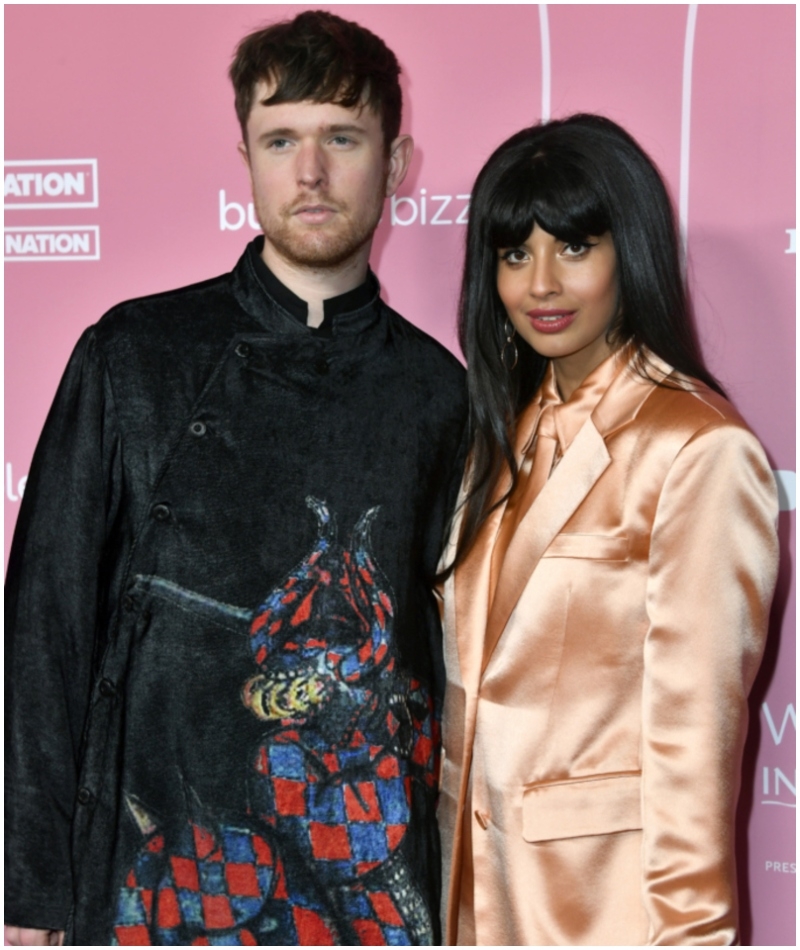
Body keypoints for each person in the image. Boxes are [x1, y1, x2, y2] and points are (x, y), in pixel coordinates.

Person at [5, 11, 466, 946]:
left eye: (342, 137)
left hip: (360, 892)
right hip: (154, 889)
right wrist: (34, 893)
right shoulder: (136, 355)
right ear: (246, 156)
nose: (311, 173)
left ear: (397, 159)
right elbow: (47, 620)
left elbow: (449, 668)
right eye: (281, 139)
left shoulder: (441, 395)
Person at [436, 114, 778, 945]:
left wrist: (690, 935)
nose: (540, 285)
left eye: (575, 248)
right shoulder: (498, 429)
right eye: (515, 255)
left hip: (602, 912)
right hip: (472, 897)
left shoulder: (699, 449)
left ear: (631, 250)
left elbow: (694, 749)